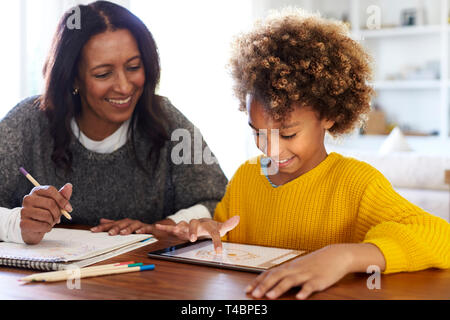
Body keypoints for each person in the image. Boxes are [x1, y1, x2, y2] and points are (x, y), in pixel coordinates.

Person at [156, 8, 450, 300]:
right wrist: (210, 233)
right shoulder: (247, 176)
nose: (270, 149)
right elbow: (228, 237)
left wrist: (344, 256)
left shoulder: (356, 183)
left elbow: (440, 237)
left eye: (287, 134)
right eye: (257, 131)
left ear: (329, 115)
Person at [0, 1, 227, 245]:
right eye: (103, 74)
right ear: (73, 77)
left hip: (144, 278)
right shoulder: (28, 122)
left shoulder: (166, 121)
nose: (124, 86)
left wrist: (161, 228)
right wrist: (17, 224)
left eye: (133, 67)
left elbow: (217, 201)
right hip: (44, 280)